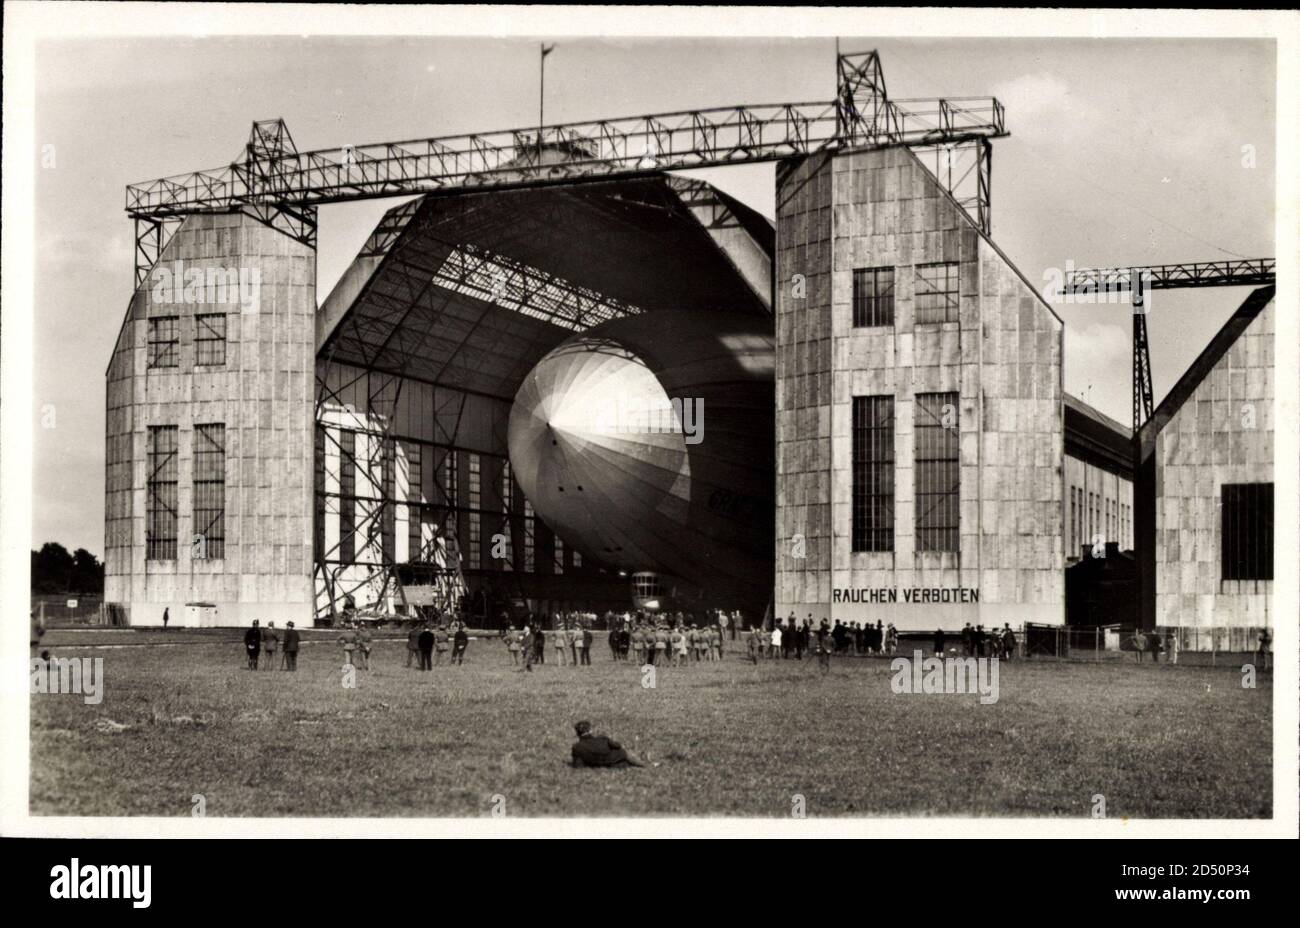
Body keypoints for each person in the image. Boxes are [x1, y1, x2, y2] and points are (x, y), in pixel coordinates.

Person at [570, 720, 646, 768]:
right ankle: (643, 764)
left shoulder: (577, 747)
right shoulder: (602, 739)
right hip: (612, 760)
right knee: (624, 753)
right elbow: (617, 746)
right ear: (590, 730)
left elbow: (578, 765)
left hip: (596, 764)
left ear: (577, 733)